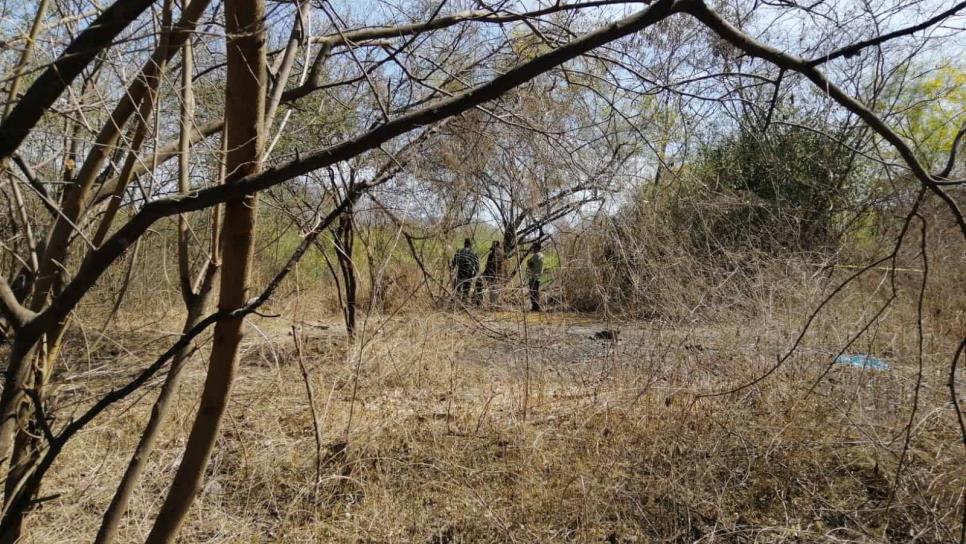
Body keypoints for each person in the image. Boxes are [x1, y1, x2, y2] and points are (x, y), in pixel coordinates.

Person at [478, 240, 504, 305]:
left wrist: (485, 274)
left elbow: (490, 265)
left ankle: (493, 304)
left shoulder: (493, 253)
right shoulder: (502, 253)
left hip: (492, 274)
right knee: (496, 288)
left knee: (492, 288)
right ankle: (495, 303)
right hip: (499, 274)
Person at [527, 242, 545, 311]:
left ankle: (535, 307)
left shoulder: (536, 255)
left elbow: (529, 262)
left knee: (533, 293)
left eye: (534, 248)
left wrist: (529, 263)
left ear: (537, 248)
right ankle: (536, 307)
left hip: (534, 276)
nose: (533, 249)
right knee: (536, 292)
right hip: (538, 277)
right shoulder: (542, 255)